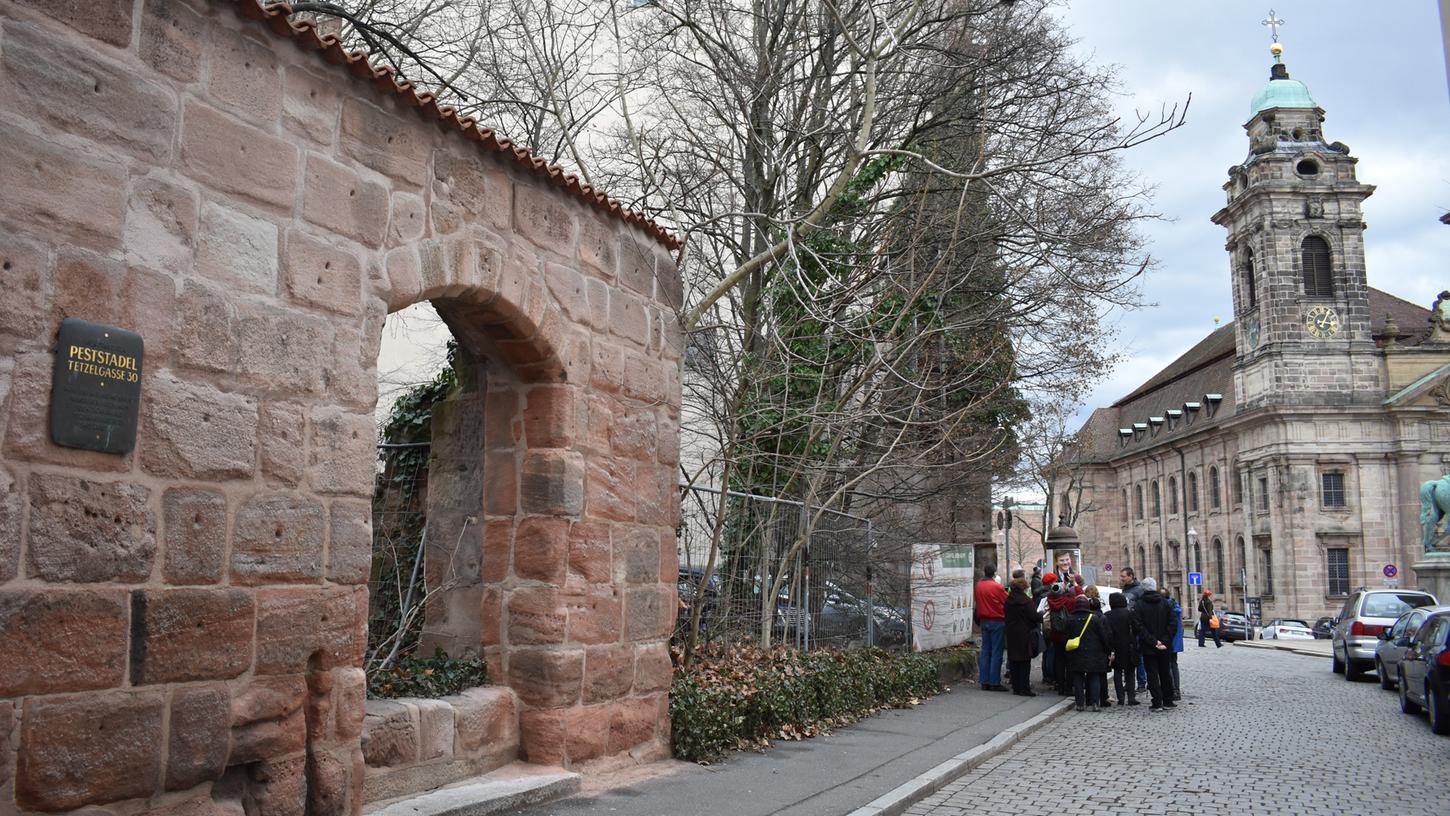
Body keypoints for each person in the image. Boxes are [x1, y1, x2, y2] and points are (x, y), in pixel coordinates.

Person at [1131, 577, 1178, 711]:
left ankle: (1157, 702)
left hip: (1148, 646)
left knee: (1152, 674)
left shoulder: (1139, 605)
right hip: (1164, 646)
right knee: (1165, 672)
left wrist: (1153, 641)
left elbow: (1138, 626)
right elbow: (1173, 624)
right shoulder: (1166, 603)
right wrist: (1164, 641)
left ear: (1143, 589)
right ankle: (1168, 700)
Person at [1064, 594, 1111, 712]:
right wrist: (1107, 650)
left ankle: (1080, 703)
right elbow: (1103, 636)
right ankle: (1095, 702)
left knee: (1078, 678)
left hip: (1076, 652)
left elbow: (1066, 636)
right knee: (1094, 677)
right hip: (1094, 652)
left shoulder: (1070, 618)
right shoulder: (1094, 618)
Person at [974, 564, 1009, 692]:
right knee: (996, 652)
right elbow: (1007, 600)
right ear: (994, 573)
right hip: (997, 620)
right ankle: (994, 681)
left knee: (985, 651)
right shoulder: (997, 587)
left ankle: (984, 681)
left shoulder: (978, 586)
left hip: (984, 620)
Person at [1004, 575, 1040, 697]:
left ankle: (1016, 687)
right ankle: (1024, 688)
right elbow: (1034, 616)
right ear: (1023, 588)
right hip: (1024, 633)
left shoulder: (1008, 600)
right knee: (1024, 661)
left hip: (1011, 632)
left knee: (1013, 660)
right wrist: (1041, 614)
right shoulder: (1026, 601)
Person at [1104, 592, 1141, 706]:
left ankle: (1120, 698)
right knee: (1130, 672)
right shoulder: (1130, 613)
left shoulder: (1107, 615)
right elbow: (1136, 628)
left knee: (1118, 672)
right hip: (1129, 646)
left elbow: (1107, 633)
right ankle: (1131, 697)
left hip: (1115, 646)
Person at [1045, 577, 1076, 695]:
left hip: (1056, 635)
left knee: (1059, 661)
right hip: (1068, 635)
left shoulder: (1050, 600)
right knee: (1069, 662)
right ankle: (1069, 687)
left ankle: (1060, 686)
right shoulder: (1070, 601)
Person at [1119, 567, 1148, 692]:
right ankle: (1129, 682)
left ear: (1131, 576)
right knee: (1127, 656)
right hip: (1125, 627)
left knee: (1138, 656)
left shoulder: (1139, 590)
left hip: (1136, 628)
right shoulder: (1124, 589)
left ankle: (1142, 683)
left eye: (1123, 576)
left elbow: (1141, 609)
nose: (1122, 578)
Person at [1169, 590, 1185, 701]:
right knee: (1174, 664)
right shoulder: (1177, 609)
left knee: (1167, 666)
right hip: (1176, 643)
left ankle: (1172, 690)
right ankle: (1176, 690)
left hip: (1167, 643)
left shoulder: (1167, 610)